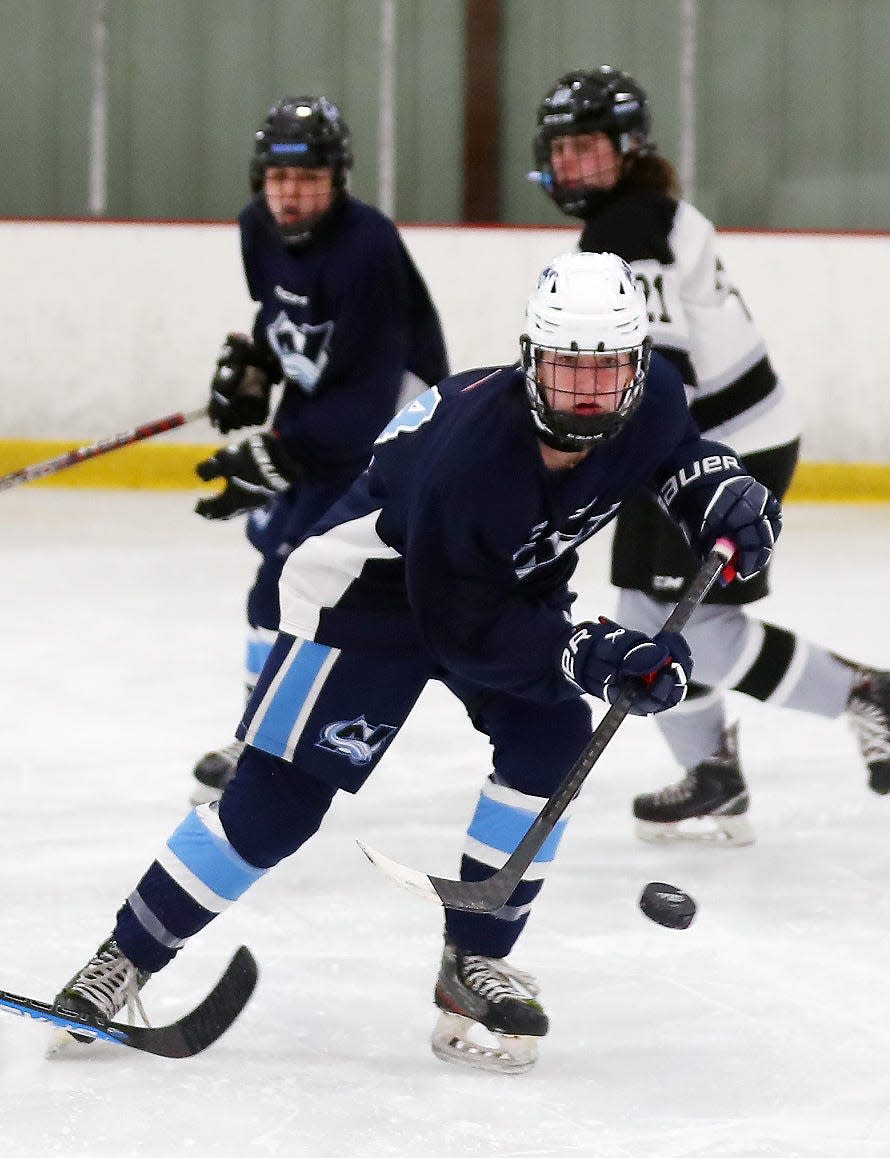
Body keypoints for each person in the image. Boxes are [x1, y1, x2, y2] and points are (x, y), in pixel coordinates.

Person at [51, 252, 781, 1073]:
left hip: (497, 586)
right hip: (368, 597)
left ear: (638, 368)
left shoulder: (651, 406)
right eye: (566, 369)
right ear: (529, 362)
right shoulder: (472, 460)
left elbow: (676, 456)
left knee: (550, 740)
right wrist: (589, 651)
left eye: (606, 372)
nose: (585, 392)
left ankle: (474, 961)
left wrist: (718, 492)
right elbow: (461, 626)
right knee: (275, 805)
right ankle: (123, 958)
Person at [531, 67, 890, 844]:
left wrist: (609, 463)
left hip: (715, 448)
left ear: (628, 146)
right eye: (563, 148)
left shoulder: (626, 228)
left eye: (590, 146)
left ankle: (867, 695)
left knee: (692, 631)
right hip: (723, 435)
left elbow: (663, 374)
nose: (574, 164)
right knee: (647, 618)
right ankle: (714, 776)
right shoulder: (643, 211)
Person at [189, 94, 449, 804]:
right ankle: (259, 737)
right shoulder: (255, 229)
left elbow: (370, 391)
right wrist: (258, 369)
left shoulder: (368, 246)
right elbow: (282, 318)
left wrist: (281, 447)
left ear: (338, 179)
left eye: (307, 179)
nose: (291, 194)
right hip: (321, 426)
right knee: (274, 580)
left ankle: (272, 744)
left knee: (309, 585)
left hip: (390, 443)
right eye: (277, 178)